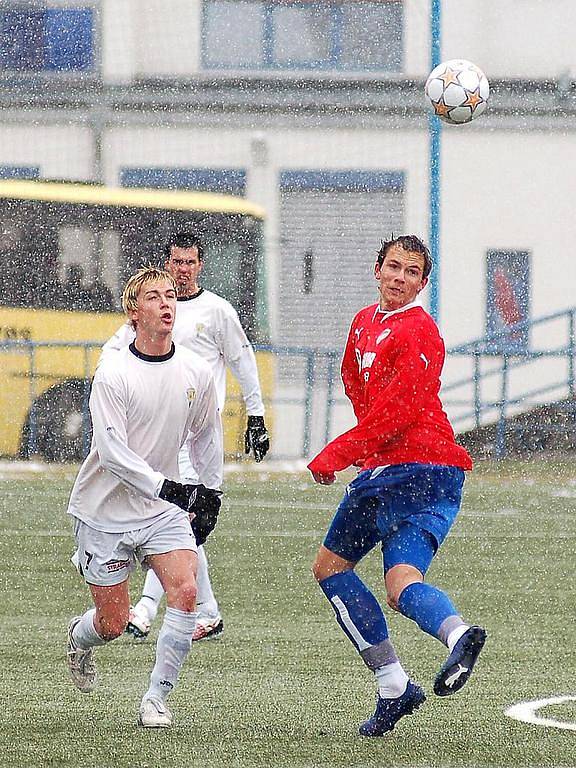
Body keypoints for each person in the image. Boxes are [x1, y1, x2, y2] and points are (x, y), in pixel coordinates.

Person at [308, 235, 486, 737]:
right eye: (394, 267)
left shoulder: (419, 331)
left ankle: (391, 681)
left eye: (411, 272)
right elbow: (355, 381)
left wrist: (343, 452)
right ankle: (457, 635)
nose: (400, 277)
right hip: (435, 476)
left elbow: (400, 409)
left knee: (330, 568)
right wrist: (368, 444)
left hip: (411, 468)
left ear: (422, 284)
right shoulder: (364, 323)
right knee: (401, 581)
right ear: (378, 269)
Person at [66, 266, 223, 728]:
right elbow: (112, 453)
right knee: (113, 624)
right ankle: (79, 637)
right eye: (153, 296)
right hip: (105, 509)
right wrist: (167, 486)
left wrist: (210, 492)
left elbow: (206, 436)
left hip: (160, 511)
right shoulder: (113, 372)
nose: (166, 303)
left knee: (187, 590)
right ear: (133, 312)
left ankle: (156, 698)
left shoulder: (195, 370)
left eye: (171, 295)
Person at [101, 231, 269, 642]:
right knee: (177, 518)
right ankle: (205, 610)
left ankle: (147, 606)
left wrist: (256, 414)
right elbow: (115, 350)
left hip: (198, 432)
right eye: (176, 262)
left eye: (190, 262)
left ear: (200, 265)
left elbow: (242, 359)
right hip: (161, 434)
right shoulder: (152, 312)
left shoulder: (217, 311)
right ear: (168, 262)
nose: (183, 270)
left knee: (178, 517)